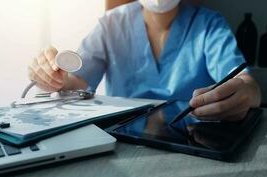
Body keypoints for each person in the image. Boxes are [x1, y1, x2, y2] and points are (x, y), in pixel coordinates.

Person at [28, 0, 261, 121]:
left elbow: (244, 82)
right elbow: (76, 83)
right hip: (121, 140)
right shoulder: (110, 25)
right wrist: (50, 76)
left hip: (191, 140)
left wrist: (248, 93)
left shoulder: (209, 24)